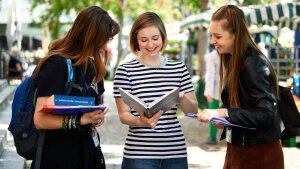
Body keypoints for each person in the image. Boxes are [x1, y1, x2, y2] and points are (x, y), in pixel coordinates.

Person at [32, 6, 120, 169]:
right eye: (104, 39)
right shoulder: (56, 65)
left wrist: (95, 117)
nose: (106, 46)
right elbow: (39, 119)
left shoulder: (93, 67)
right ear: (90, 36)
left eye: (109, 40)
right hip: (59, 157)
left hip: (87, 154)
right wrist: (79, 120)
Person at [197, 5, 284, 169]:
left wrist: (225, 112)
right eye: (212, 35)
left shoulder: (254, 63)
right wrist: (223, 118)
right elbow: (243, 103)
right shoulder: (235, 59)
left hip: (259, 153)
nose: (212, 41)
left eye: (218, 36)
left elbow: (267, 115)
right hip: (239, 150)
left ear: (235, 35)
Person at [113, 12, 198, 169]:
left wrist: (181, 97)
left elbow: (192, 111)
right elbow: (123, 115)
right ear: (136, 41)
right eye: (144, 40)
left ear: (163, 37)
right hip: (139, 154)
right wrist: (141, 121)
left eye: (155, 38)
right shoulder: (125, 71)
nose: (150, 44)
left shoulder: (179, 69)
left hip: (175, 153)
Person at [203, 45, 220, 145]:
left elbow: (210, 75)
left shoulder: (211, 56)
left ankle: (212, 138)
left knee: (213, 115)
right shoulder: (229, 54)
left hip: (214, 91)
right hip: (227, 90)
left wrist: (208, 92)